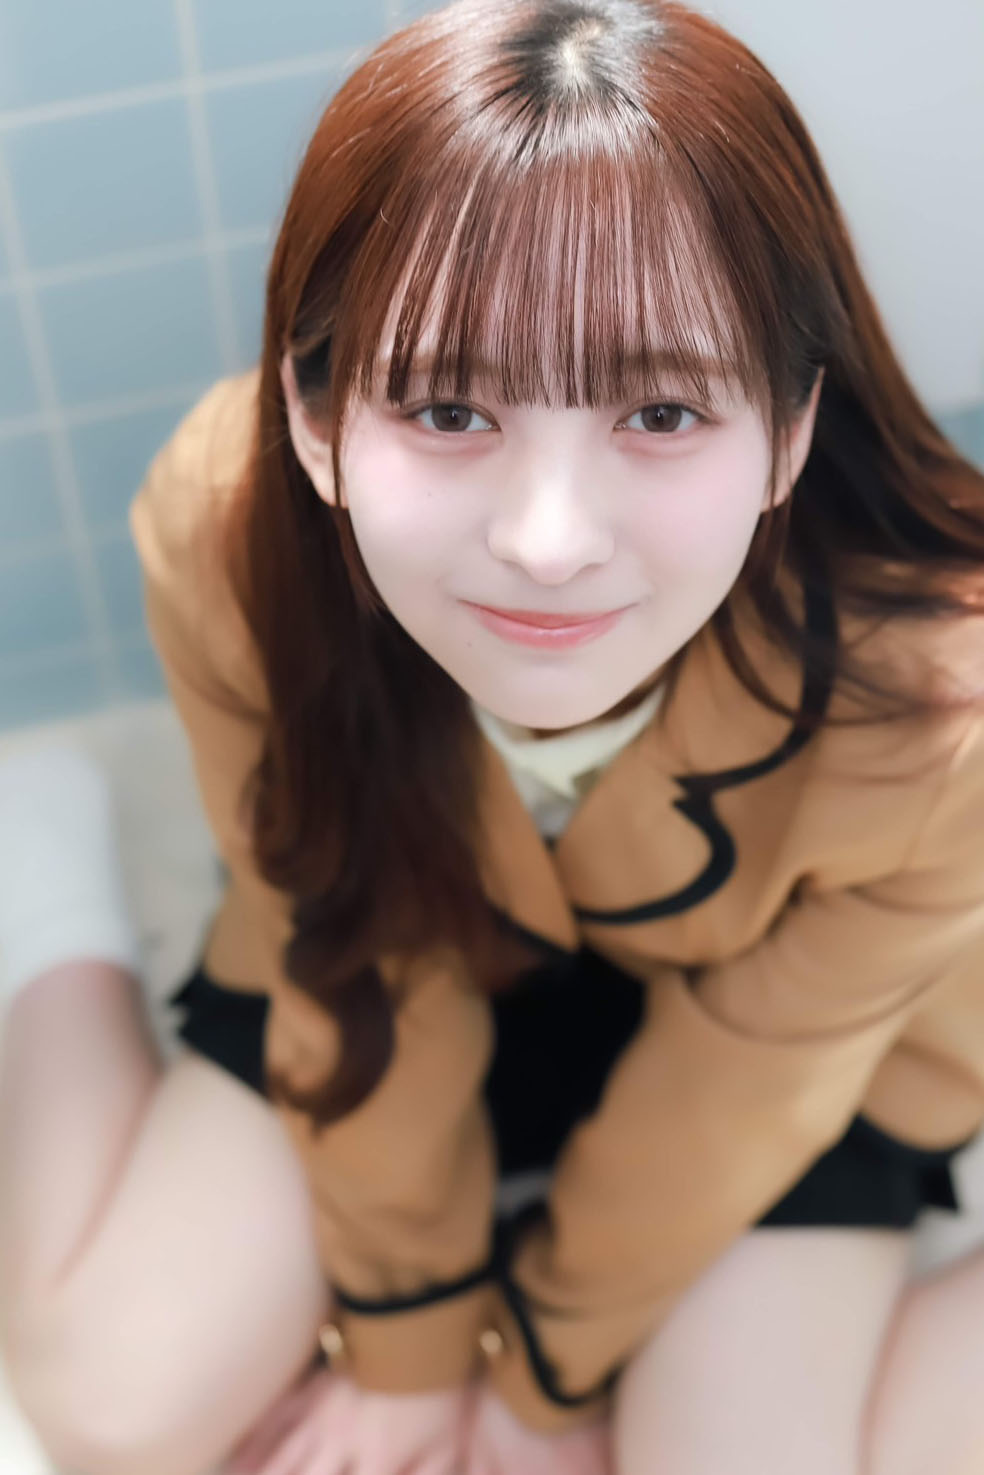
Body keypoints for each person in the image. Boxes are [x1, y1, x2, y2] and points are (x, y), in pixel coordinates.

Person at [2, 0, 984, 1471]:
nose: (547, 542)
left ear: (787, 432)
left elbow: (755, 1074)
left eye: (662, 411)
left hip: (764, 1020)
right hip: (402, 935)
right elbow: (351, 952)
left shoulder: (934, 695)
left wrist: (539, 1369)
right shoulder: (229, 534)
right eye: (451, 408)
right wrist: (407, 1345)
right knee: (111, 1405)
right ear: (315, 419)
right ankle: (42, 883)